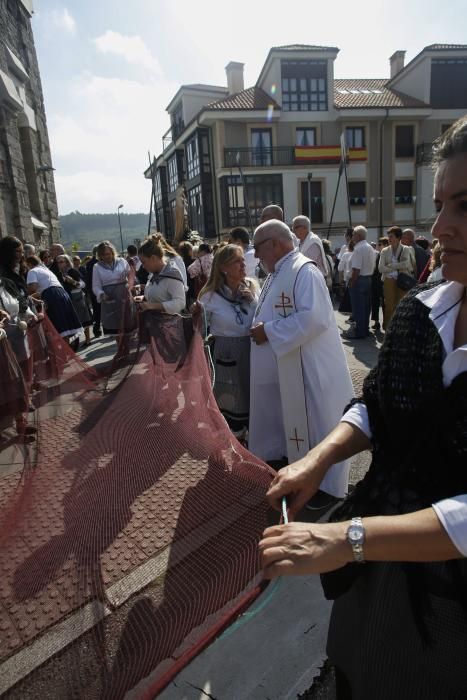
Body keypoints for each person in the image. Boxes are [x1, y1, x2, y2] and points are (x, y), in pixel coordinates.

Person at [259, 114, 467, 700]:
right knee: (359, 664)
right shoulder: (423, 310)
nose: (440, 227)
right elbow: (376, 401)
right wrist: (315, 461)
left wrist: (344, 539)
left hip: (449, 593)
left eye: (465, 206)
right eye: (439, 204)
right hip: (379, 560)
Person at [249, 219, 354, 503]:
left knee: (317, 423)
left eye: (258, 248)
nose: (255, 255)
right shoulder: (276, 273)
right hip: (292, 366)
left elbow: (315, 318)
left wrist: (268, 331)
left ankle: (324, 487)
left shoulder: (304, 271)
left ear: (274, 243)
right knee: (300, 427)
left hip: (311, 367)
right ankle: (302, 473)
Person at [198, 244, 259, 438]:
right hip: (226, 355)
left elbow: (262, 317)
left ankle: (253, 441)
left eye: (243, 260)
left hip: (252, 350)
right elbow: (198, 330)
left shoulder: (252, 287)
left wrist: (253, 301)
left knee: (253, 396)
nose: (243, 264)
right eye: (237, 261)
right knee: (232, 401)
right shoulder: (209, 296)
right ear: (223, 268)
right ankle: (233, 443)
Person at [25, 255, 81, 346]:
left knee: (57, 326)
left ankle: (62, 354)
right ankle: (66, 352)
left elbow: (33, 288)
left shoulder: (32, 271)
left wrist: (24, 293)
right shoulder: (47, 270)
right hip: (62, 294)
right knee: (64, 326)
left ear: (29, 264)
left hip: (52, 295)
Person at [134, 234, 185, 315]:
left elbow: (180, 303)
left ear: (153, 258)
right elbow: (159, 295)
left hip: (169, 325)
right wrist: (144, 299)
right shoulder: (153, 274)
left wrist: (152, 306)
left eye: (144, 262)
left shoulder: (171, 274)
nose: (143, 266)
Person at [92, 241, 133, 335]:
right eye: (103, 255)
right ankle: (120, 349)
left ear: (112, 252)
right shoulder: (97, 267)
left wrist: (131, 285)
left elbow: (131, 276)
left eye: (108, 254)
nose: (106, 256)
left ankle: (126, 348)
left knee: (128, 328)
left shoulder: (122, 261)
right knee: (116, 331)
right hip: (110, 298)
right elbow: (96, 286)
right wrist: (101, 294)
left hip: (124, 296)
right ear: (100, 255)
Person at [342, 226, 375, 340]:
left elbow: (356, 269)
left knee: (358, 307)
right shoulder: (369, 247)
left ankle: (360, 331)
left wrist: (351, 282)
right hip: (368, 279)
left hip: (359, 279)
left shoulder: (358, 248)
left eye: (354, 234)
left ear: (359, 236)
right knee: (366, 307)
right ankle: (365, 329)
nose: (352, 236)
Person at [378, 226, 414, 329]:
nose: (389, 239)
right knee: (389, 305)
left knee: (400, 305)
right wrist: (396, 265)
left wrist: (390, 265)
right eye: (388, 236)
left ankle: (399, 328)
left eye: (391, 236)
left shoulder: (405, 249)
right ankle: (387, 327)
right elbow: (380, 268)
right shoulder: (385, 251)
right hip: (388, 280)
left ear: (398, 238)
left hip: (401, 281)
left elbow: (406, 264)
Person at [56, 254, 92, 347]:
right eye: (58, 262)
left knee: (83, 318)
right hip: (68, 297)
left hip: (77, 296)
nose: (59, 264)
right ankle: (76, 341)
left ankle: (88, 339)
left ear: (67, 262)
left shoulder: (72, 271)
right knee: (75, 319)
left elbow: (82, 284)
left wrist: (73, 282)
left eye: (61, 262)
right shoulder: (59, 273)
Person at [292, 215, 328, 279]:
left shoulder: (313, 242)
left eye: (295, 227)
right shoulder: (299, 242)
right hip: (308, 277)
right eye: (292, 227)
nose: (293, 230)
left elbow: (306, 264)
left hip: (315, 279)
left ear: (305, 228)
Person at [370, 237, 387, 331]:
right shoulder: (380, 254)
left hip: (380, 281)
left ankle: (383, 321)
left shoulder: (383, 254)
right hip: (377, 282)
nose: (377, 247)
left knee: (382, 302)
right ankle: (377, 321)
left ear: (385, 245)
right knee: (376, 302)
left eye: (379, 245)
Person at [85, 246, 102, 338]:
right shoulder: (99, 263)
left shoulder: (89, 263)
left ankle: (97, 329)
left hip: (92, 290)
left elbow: (88, 279)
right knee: (101, 309)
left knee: (96, 310)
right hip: (99, 289)